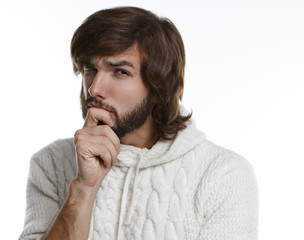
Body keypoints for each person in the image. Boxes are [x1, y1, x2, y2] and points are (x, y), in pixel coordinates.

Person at [19, 6, 258, 240]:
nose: (94, 88)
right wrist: (83, 189)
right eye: (90, 69)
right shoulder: (50, 163)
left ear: (158, 88)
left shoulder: (223, 175)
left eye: (120, 72)